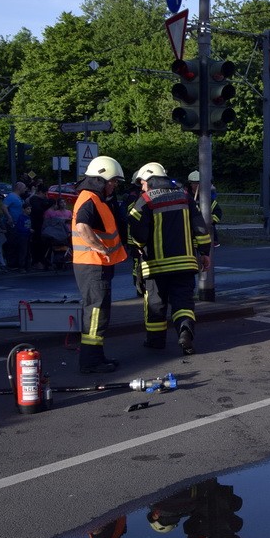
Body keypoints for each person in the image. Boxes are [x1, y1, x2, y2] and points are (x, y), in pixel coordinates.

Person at [128, 162, 212, 355]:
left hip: (155, 265)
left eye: (142, 182)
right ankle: (184, 331)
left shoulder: (145, 200)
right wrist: (204, 252)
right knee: (183, 302)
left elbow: (136, 226)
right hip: (185, 263)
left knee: (156, 305)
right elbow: (200, 228)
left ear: (150, 180)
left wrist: (138, 246)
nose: (141, 187)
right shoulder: (185, 196)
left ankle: (155, 341)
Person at [72, 156, 128, 374]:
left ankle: (96, 356)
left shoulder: (95, 198)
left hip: (96, 265)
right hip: (93, 264)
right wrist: (100, 248)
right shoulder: (89, 198)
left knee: (98, 311)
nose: (114, 185)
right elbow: (82, 226)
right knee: (96, 312)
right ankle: (90, 361)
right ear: (101, 179)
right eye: (112, 181)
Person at [186, 171, 222, 247]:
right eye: (194, 183)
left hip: (207, 234)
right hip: (190, 234)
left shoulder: (208, 199)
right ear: (190, 184)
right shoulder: (186, 197)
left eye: (198, 183)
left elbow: (218, 212)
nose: (197, 186)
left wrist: (212, 220)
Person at [1, 181, 28, 269]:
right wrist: (9, 217)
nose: (25, 189)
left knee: (16, 242)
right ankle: (10, 262)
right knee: (12, 242)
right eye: (24, 188)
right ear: (19, 188)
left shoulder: (19, 197)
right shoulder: (11, 196)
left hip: (18, 223)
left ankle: (15, 261)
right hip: (11, 223)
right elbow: (4, 207)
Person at [28, 185, 52, 270]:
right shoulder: (34, 200)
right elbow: (39, 209)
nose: (46, 196)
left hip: (43, 225)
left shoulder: (42, 200)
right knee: (36, 244)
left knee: (44, 244)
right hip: (36, 225)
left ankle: (43, 261)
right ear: (41, 192)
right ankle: (36, 262)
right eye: (45, 194)